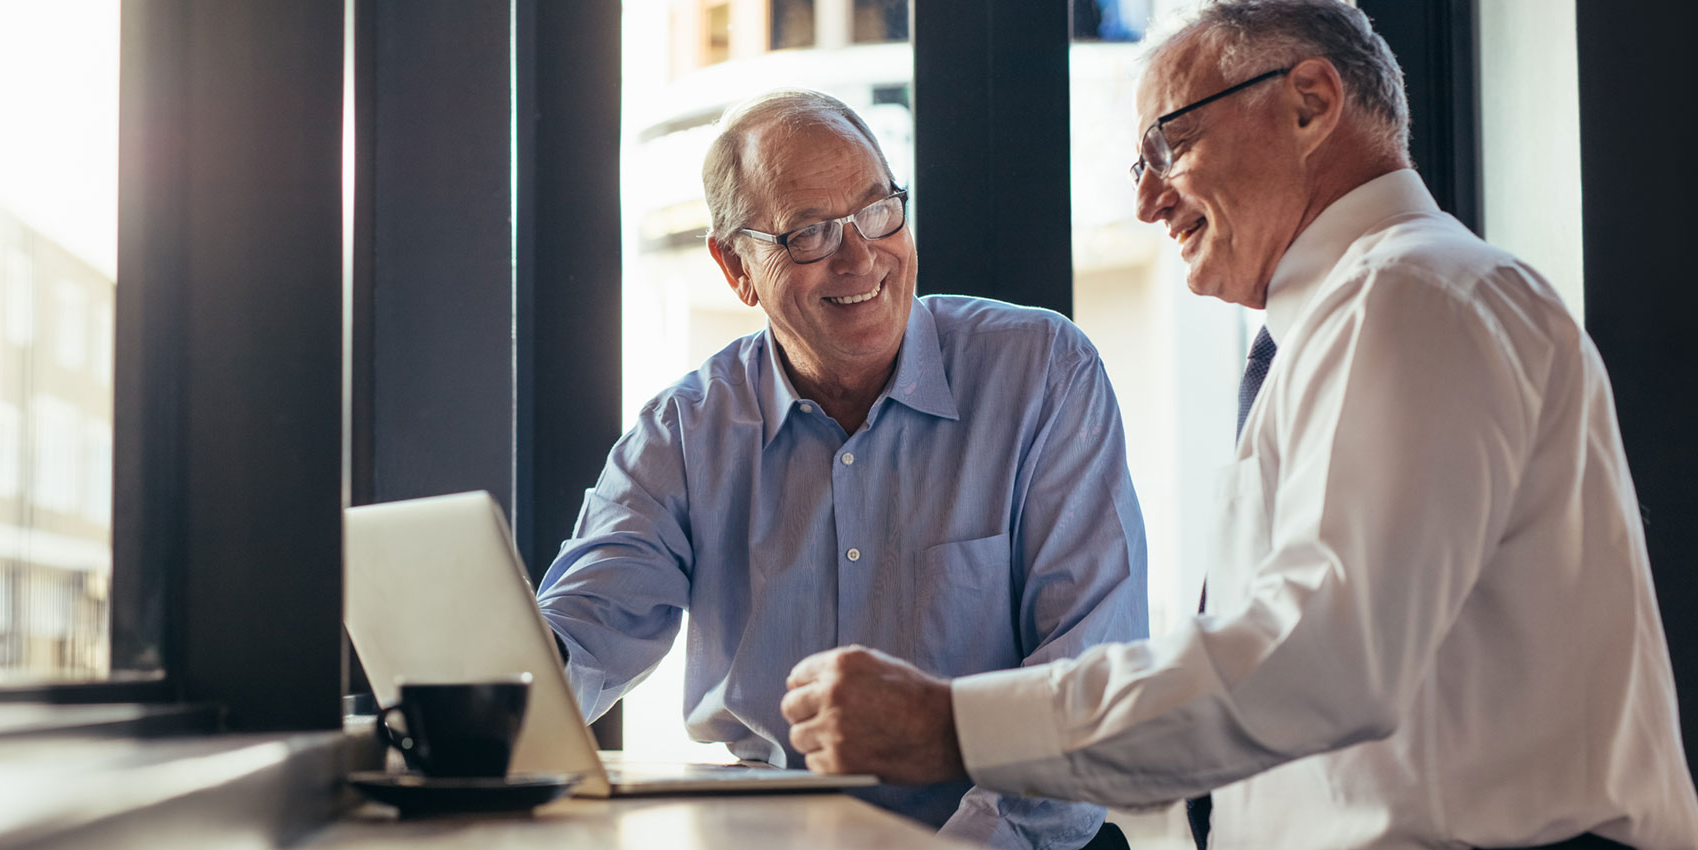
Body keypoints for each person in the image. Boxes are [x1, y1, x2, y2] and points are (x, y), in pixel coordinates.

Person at [779, 3, 1698, 849]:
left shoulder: (1408, 294)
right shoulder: (1361, 314)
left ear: (1308, 103)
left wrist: (953, 725)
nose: (1146, 200)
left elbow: (1316, 657)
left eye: (1167, 145)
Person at [535, 89, 1148, 849]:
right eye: (808, 234)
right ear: (735, 266)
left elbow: (1087, 684)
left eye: (878, 211)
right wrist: (486, 692)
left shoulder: (1042, 371)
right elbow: (582, 633)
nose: (860, 256)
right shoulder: (684, 431)